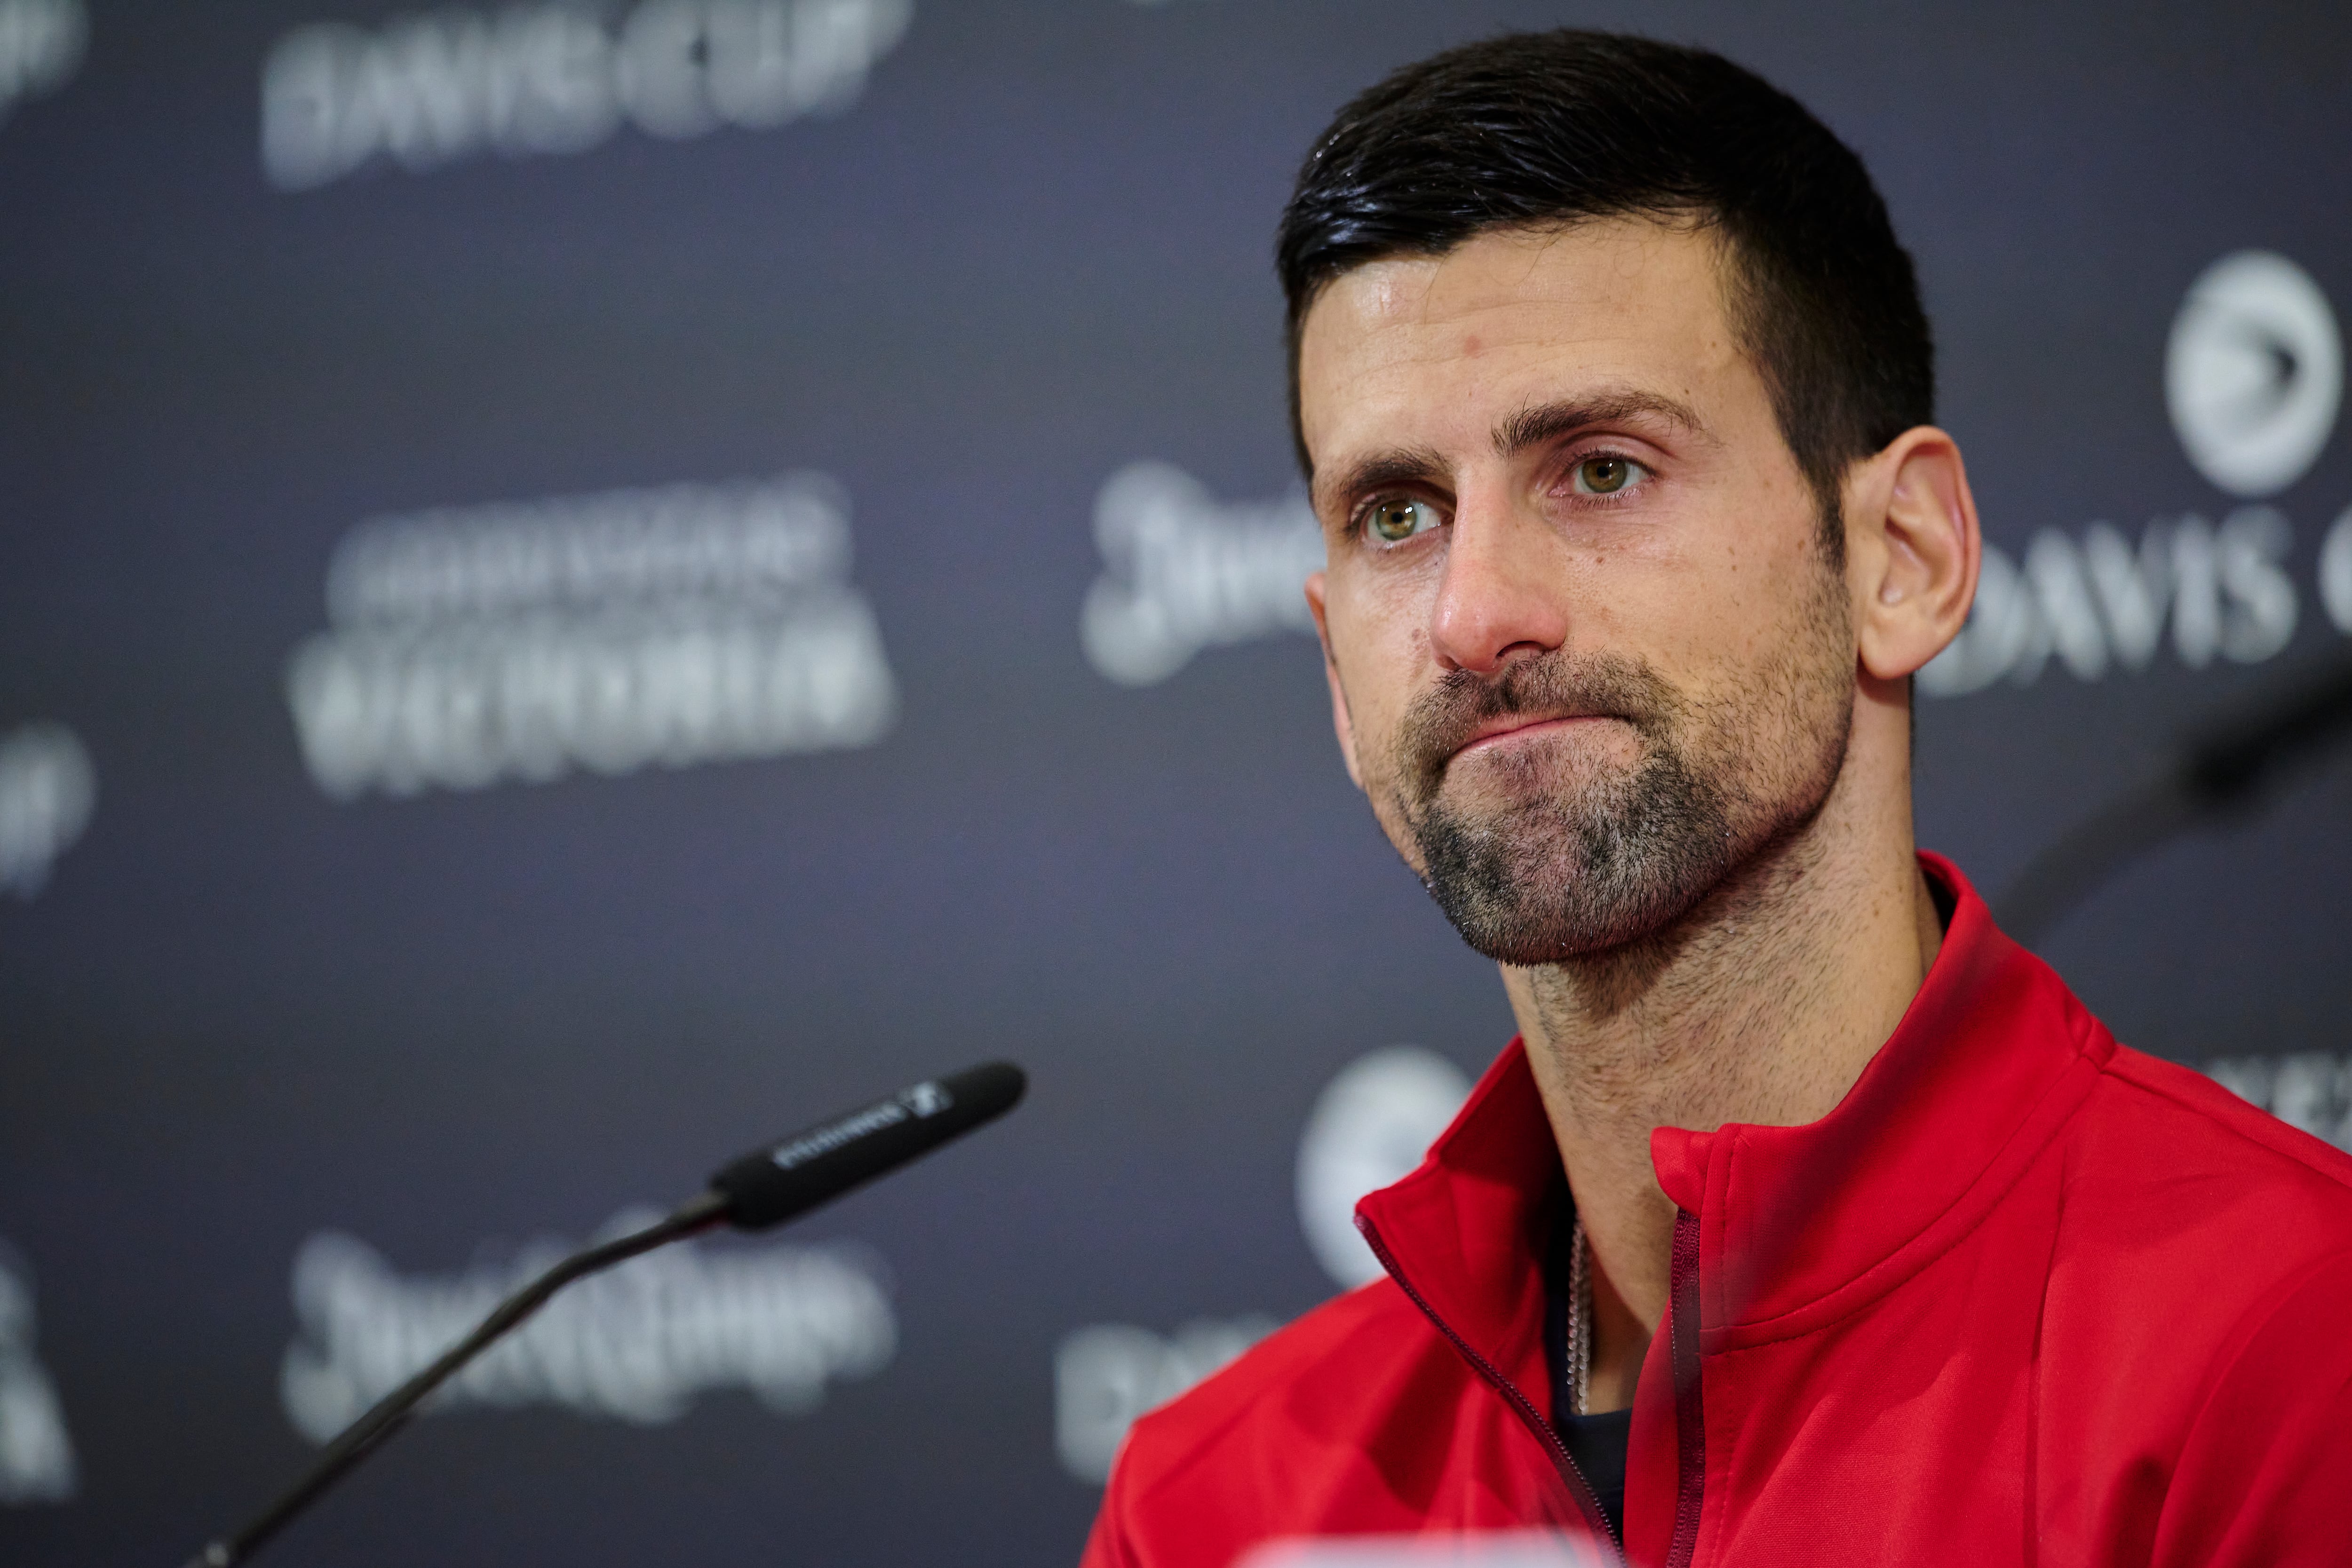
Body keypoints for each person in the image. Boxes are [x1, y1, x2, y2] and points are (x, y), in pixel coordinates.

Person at [1081, 29, 2352, 1568]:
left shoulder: (2293, 1347)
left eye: (1601, 471)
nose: (1474, 615)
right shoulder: (1221, 1508)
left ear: (1903, 561)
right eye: (1397, 514)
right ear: (1338, 677)